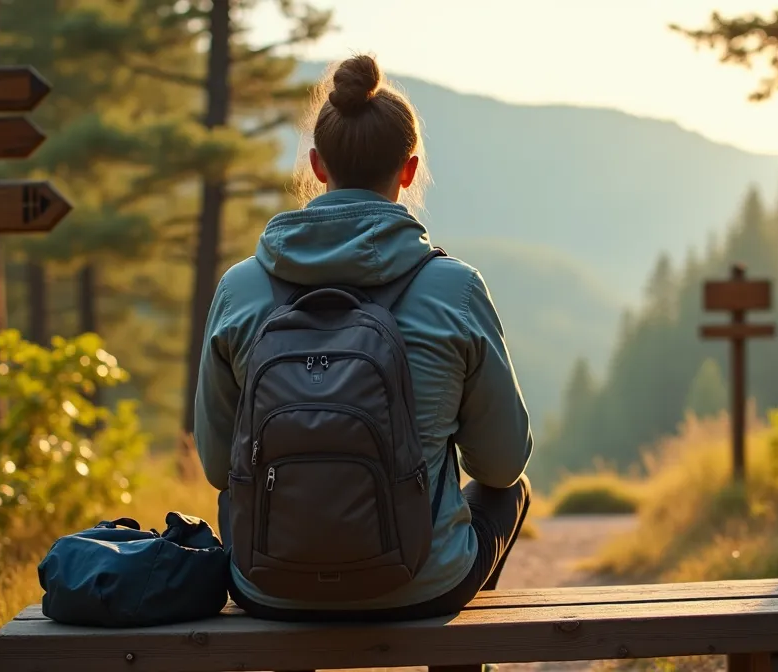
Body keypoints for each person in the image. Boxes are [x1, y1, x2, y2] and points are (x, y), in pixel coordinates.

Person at [192, 54, 534, 622]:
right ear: (408, 170)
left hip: (268, 587)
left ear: (317, 165)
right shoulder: (455, 289)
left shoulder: (242, 288)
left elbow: (215, 466)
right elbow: (499, 465)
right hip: (423, 585)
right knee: (510, 490)